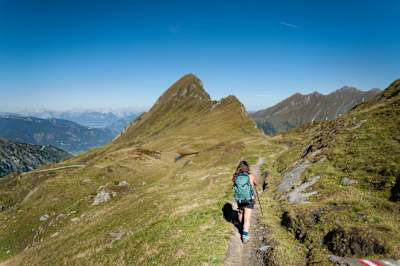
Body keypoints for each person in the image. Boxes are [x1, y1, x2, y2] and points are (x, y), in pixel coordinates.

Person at [232, 160, 257, 243]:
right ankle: (245, 236)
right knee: (247, 219)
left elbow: (234, 186)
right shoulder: (250, 176)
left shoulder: (235, 176)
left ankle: (240, 226)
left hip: (239, 199)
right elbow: (255, 184)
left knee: (241, 212)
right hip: (249, 199)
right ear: (247, 168)